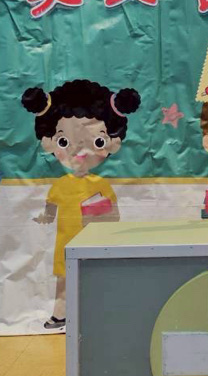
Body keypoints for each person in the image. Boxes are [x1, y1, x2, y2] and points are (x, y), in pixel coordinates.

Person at [22, 80, 139, 332]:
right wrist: (42, 218)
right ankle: (60, 314)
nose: (79, 152)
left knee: (93, 279)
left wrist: (101, 214)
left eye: (97, 142)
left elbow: (113, 215)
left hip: (93, 243)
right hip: (65, 244)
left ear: (111, 143)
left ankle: (95, 314)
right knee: (64, 281)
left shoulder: (101, 185)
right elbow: (50, 212)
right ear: (50, 142)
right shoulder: (60, 185)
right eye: (64, 141)